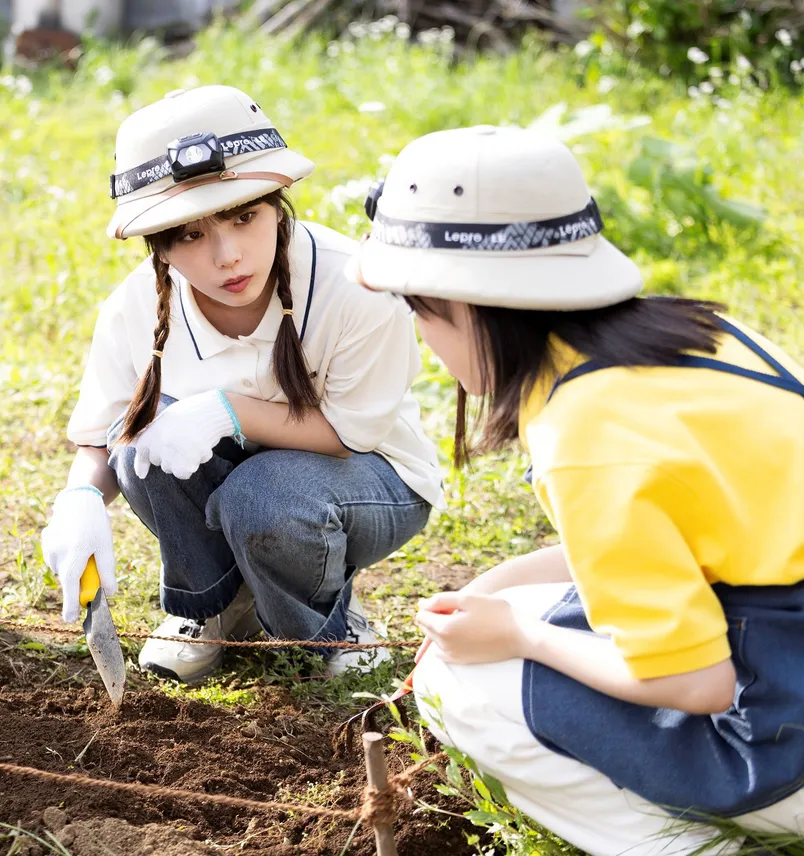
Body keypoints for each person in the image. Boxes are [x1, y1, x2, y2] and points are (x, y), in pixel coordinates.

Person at [350, 124, 804, 855]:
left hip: (782, 729)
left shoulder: (583, 432)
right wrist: (496, 587)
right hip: (782, 624)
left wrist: (520, 634)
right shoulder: (704, 335)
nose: (425, 340)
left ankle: (694, 846)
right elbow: (705, 531)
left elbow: (700, 684)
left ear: (461, 301)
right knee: (517, 615)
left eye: (418, 310)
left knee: (460, 681)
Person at [40, 85, 442, 683]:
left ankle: (328, 622)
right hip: (252, 483)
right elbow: (103, 435)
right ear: (160, 247)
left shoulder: (354, 287)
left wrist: (229, 411)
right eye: (189, 234)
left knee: (262, 494)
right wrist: (80, 500)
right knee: (142, 442)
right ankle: (214, 606)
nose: (227, 256)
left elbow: (351, 433)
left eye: (243, 216)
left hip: (369, 479)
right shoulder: (133, 311)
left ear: (277, 205)